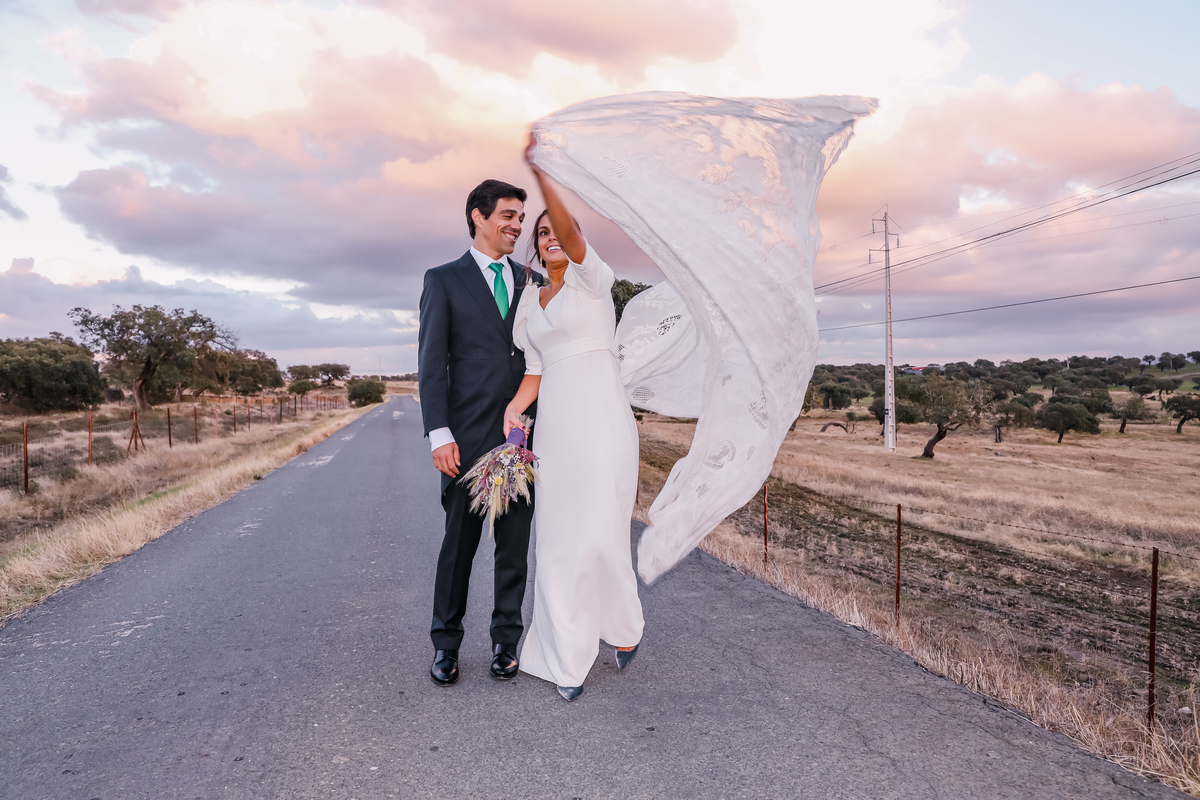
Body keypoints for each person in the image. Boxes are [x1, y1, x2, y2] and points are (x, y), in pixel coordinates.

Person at [503, 134, 645, 702]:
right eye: (540, 234)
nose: (550, 237)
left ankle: (624, 628)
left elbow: (575, 236)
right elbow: (534, 372)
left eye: (556, 230)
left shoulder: (594, 284)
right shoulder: (529, 305)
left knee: (599, 533)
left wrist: (542, 177)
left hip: (603, 421)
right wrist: (514, 416)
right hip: (557, 427)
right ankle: (565, 654)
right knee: (561, 537)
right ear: (536, 250)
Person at [417, 179, 543, 687]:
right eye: (508, 216)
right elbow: (431, 365)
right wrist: (438, 434)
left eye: (520, 218)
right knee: (459, 548)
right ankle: (446, 645)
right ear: (478, 216)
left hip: (522, 438)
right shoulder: (443, 280)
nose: (517, 226)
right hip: (465, 439)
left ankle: (505, 642)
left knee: (513, 547)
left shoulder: (532, 283)